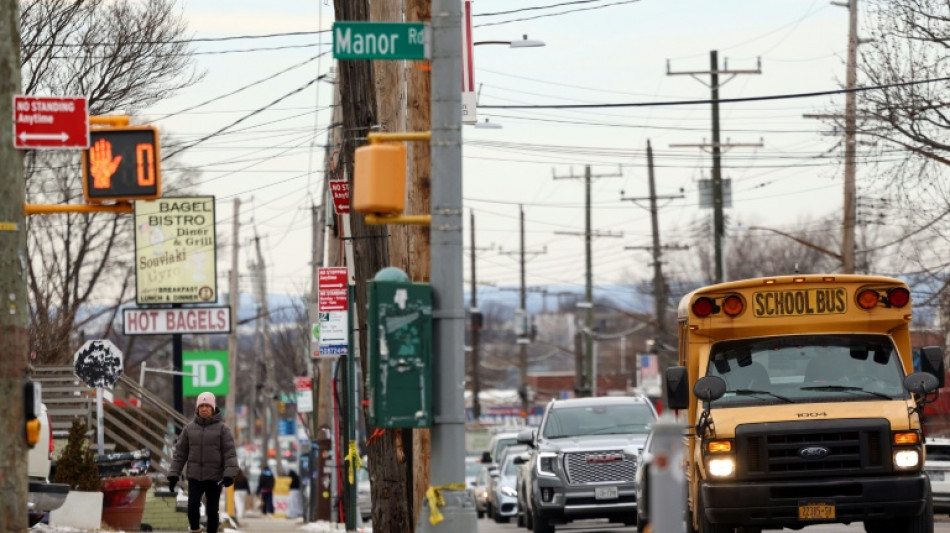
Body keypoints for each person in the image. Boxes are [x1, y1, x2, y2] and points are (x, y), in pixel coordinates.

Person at [167, 392, 239, 533]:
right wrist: (174, 474)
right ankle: (195, 530)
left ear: (213, 408)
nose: (204, 409)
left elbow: (229, 454)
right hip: (195, 477)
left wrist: (229, 474)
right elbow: (180, 454)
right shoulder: (188, 429)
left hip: (215, 478)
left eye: (207, 406)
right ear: (197, 408)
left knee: (212, 510)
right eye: (201, 406)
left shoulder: (223, 430)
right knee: (192, 506)